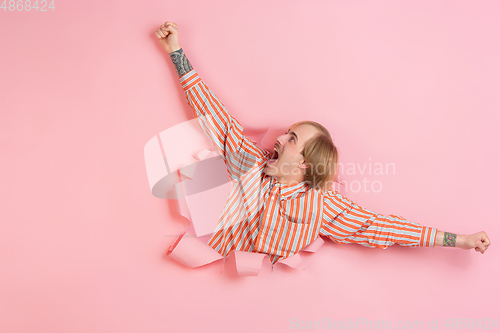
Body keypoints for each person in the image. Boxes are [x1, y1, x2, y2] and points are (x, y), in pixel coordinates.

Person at [155, 21, 491, 265]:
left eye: (291, 139)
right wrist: (176, 52)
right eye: (286, 133)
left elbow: (383, 228)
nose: (279, 140)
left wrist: (458, 240)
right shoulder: (252, 164)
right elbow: (216, 117)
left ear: (304, 164)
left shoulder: (322, 205)